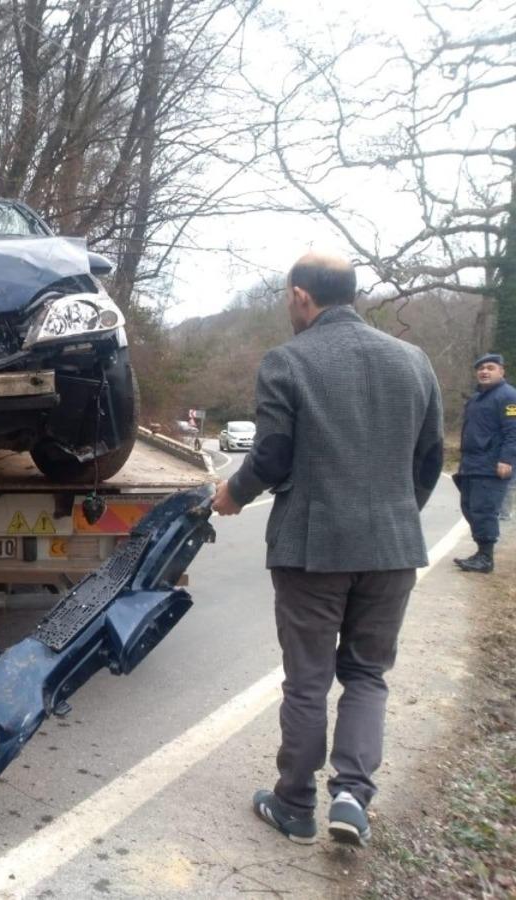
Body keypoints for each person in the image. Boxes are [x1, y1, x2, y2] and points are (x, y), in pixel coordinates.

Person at [213, 253, 443, 848]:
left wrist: (233, 495)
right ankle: (351, 796)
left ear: (300, 295)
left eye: (287, 299)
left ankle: (294, 806)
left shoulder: (288, 360)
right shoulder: (414, 360)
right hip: (392, 548)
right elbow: (429, 461)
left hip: (311, 550)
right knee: (367, 674)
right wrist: (396, 515)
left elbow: (272, 455)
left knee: (308, 680)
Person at [452, 353, 516, 573]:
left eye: (490, 367)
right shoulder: (477, 398)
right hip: (471, 464)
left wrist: (506, 459)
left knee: (484, 510)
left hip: (491, 466)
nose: (484, 371)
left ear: (502, 371)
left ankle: (486, 558)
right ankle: (481, 552)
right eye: (480, 368)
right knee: (469, 508)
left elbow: (513, 431)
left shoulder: (508, 396)